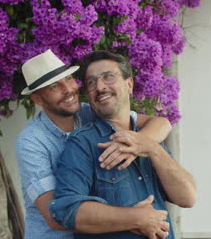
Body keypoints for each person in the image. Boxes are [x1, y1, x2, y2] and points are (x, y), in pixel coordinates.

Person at [15, 49, 173, 239]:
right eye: (54, 87)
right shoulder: (31, 141)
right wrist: (134, 219)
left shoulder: (88, 112)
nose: (68, 90)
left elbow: (160, 123)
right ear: (38, 99)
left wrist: (138, 145)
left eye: (69, 79)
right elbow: (54, 215)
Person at [49, 50, 197, 239]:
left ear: (129, 84)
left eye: (108, 77)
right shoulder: (81, 143)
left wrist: (151, 148)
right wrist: (135, 218)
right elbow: (68, 211)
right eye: (91, 82)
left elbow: (187, 197)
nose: (100, 87)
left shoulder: (148, 139)